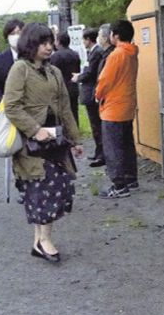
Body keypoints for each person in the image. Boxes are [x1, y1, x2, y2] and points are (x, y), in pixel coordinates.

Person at [2, 23, 84, 262]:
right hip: (32, 144)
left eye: (51, 42)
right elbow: (12, 107)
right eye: (43, 43)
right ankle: (44, 241)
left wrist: (75, 139)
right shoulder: (20, 69)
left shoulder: (54, 71)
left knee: (56, 188)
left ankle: (39, 240)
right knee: (41, 189)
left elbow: (65, 108)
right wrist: (35, 130)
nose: (49, 47)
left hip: (55, 140)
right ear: (31, 44)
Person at [95, 19, 139, 199]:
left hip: (113, 107)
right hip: (128, 104)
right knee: (127, 144)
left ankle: (119, 185)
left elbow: (105, 80)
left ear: (116, 35)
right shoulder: (132, 53)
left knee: (113, 147)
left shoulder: (116, 55)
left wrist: (97, 95)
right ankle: (131, 179)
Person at [73, 28, 106, 167]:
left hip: (92, 93)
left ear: (88, 39)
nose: (83, 42)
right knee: (94, 125)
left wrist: (78, 77)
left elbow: (91, 72)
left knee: (97, 125)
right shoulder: (93, 52)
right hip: (90, 92)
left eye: (84, 39)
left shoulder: (96, 53)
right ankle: (99, 152)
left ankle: (102, 154)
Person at [49, 31, 81, 126]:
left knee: (63, 114)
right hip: (73, 87)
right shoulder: (75, 54)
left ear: (58, 42)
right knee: (74, 112)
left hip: (61, 89)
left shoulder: (56, 56)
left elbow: (52, 73)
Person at [0, 19, 25, 103]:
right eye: (12, 34)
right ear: (7, 37)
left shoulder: (32, 56)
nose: (16, 36)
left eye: (19, 33)